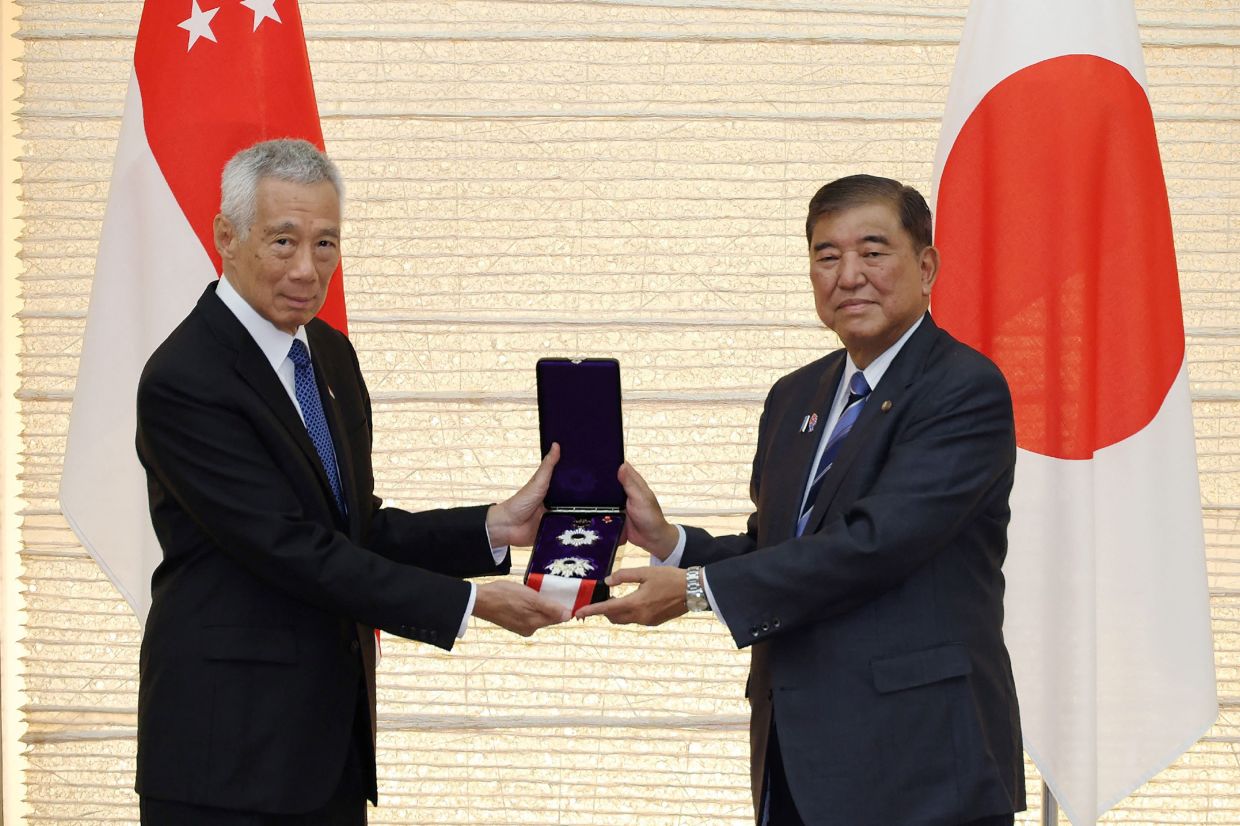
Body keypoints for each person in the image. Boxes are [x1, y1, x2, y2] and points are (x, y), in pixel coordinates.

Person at [133, 138, 569, 825]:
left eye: (326, 244)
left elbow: (353, 528)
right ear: (227, 236)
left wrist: (493, 526)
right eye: (283, 242)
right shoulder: (186, 379)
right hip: (226, 759)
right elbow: (292, 550)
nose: (308, 270)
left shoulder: (328, 354)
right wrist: (469, 604)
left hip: (327, 747)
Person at [578, 175, 1025, 825]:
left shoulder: (964, 388)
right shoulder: (796, 396)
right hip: (796, 758)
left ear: (926, 266)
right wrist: (672, 545)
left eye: (873, 251)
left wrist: (697, 590)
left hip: (921, 767)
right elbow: (779, 549)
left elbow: (873, 547)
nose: (849, 275)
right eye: (826, 255)